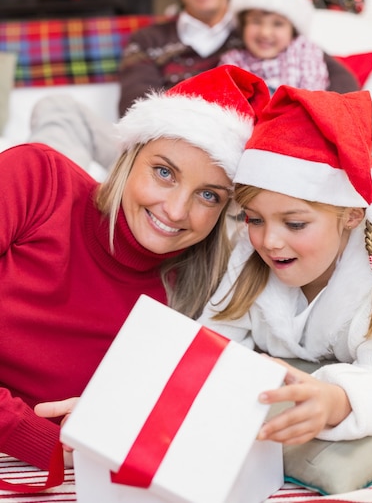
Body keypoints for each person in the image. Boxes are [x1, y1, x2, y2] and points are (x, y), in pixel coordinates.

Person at [0, 65, 270, 472]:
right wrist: (36, 438)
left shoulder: (203, 296)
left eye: (209, 195)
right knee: (59, 122)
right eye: (164, 173)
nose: (176, 211)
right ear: (128, 156)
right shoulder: (34, 177)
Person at [199, 85, 372, 446]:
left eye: (295, 224)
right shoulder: (246, 258)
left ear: (351, 216)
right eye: (254, 220)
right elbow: (210, 339)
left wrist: (335, 400)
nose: (269, 241)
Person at [29, 0, 253, 173]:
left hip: (233, 163)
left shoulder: (256, 35)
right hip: (152, 157)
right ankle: (45, 200)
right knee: (56, 107)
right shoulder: (147, 39)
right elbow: (136, 109)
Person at [219, 0, 359, 95]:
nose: (265, 32)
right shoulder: (232, 62)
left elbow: (315, 100)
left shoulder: (306, 54)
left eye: (278, 24)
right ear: (243, 25)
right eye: (256, 21)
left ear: (293, 31)